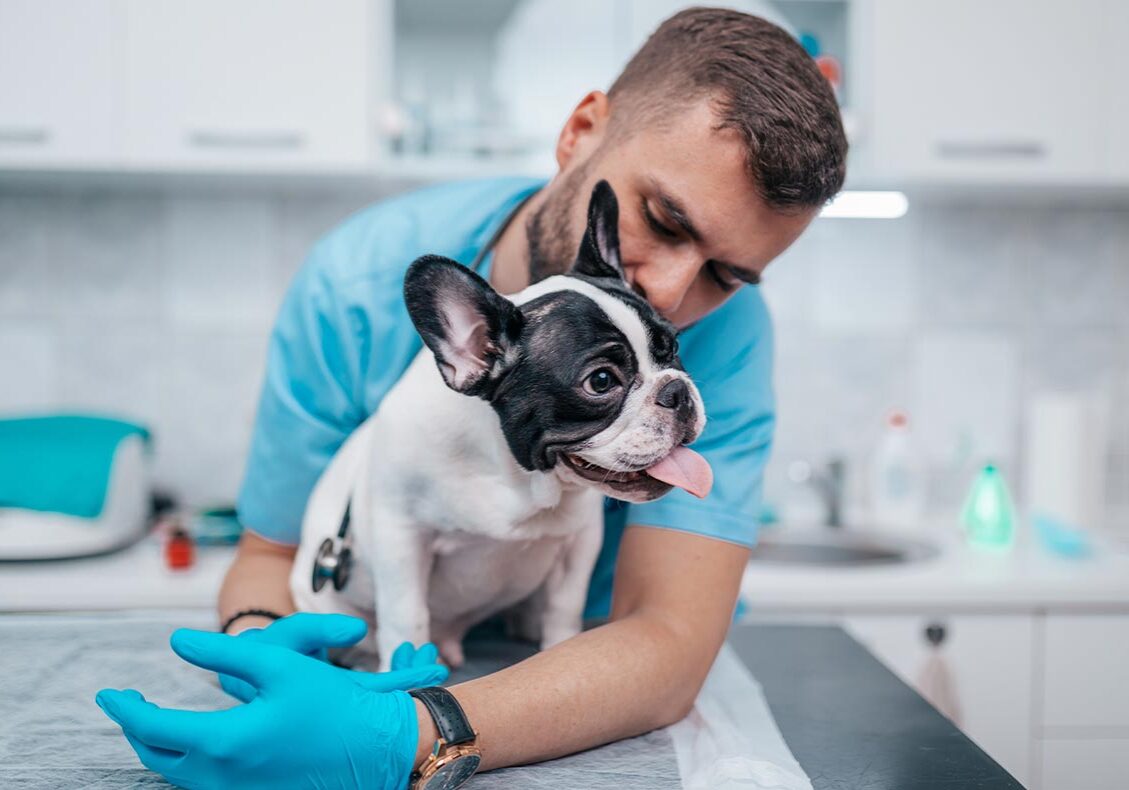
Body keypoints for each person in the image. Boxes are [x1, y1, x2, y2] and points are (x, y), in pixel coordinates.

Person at [95, 7, 846, 789]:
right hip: (386, 657)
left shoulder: (730, 337)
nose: (669, 289)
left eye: (728, 275)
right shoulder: (354, 283)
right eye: (660, 219)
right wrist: (263, 652)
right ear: (581, 130)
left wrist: (412, 732)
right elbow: (271, 556)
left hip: (596, 695)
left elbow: (668, 642)